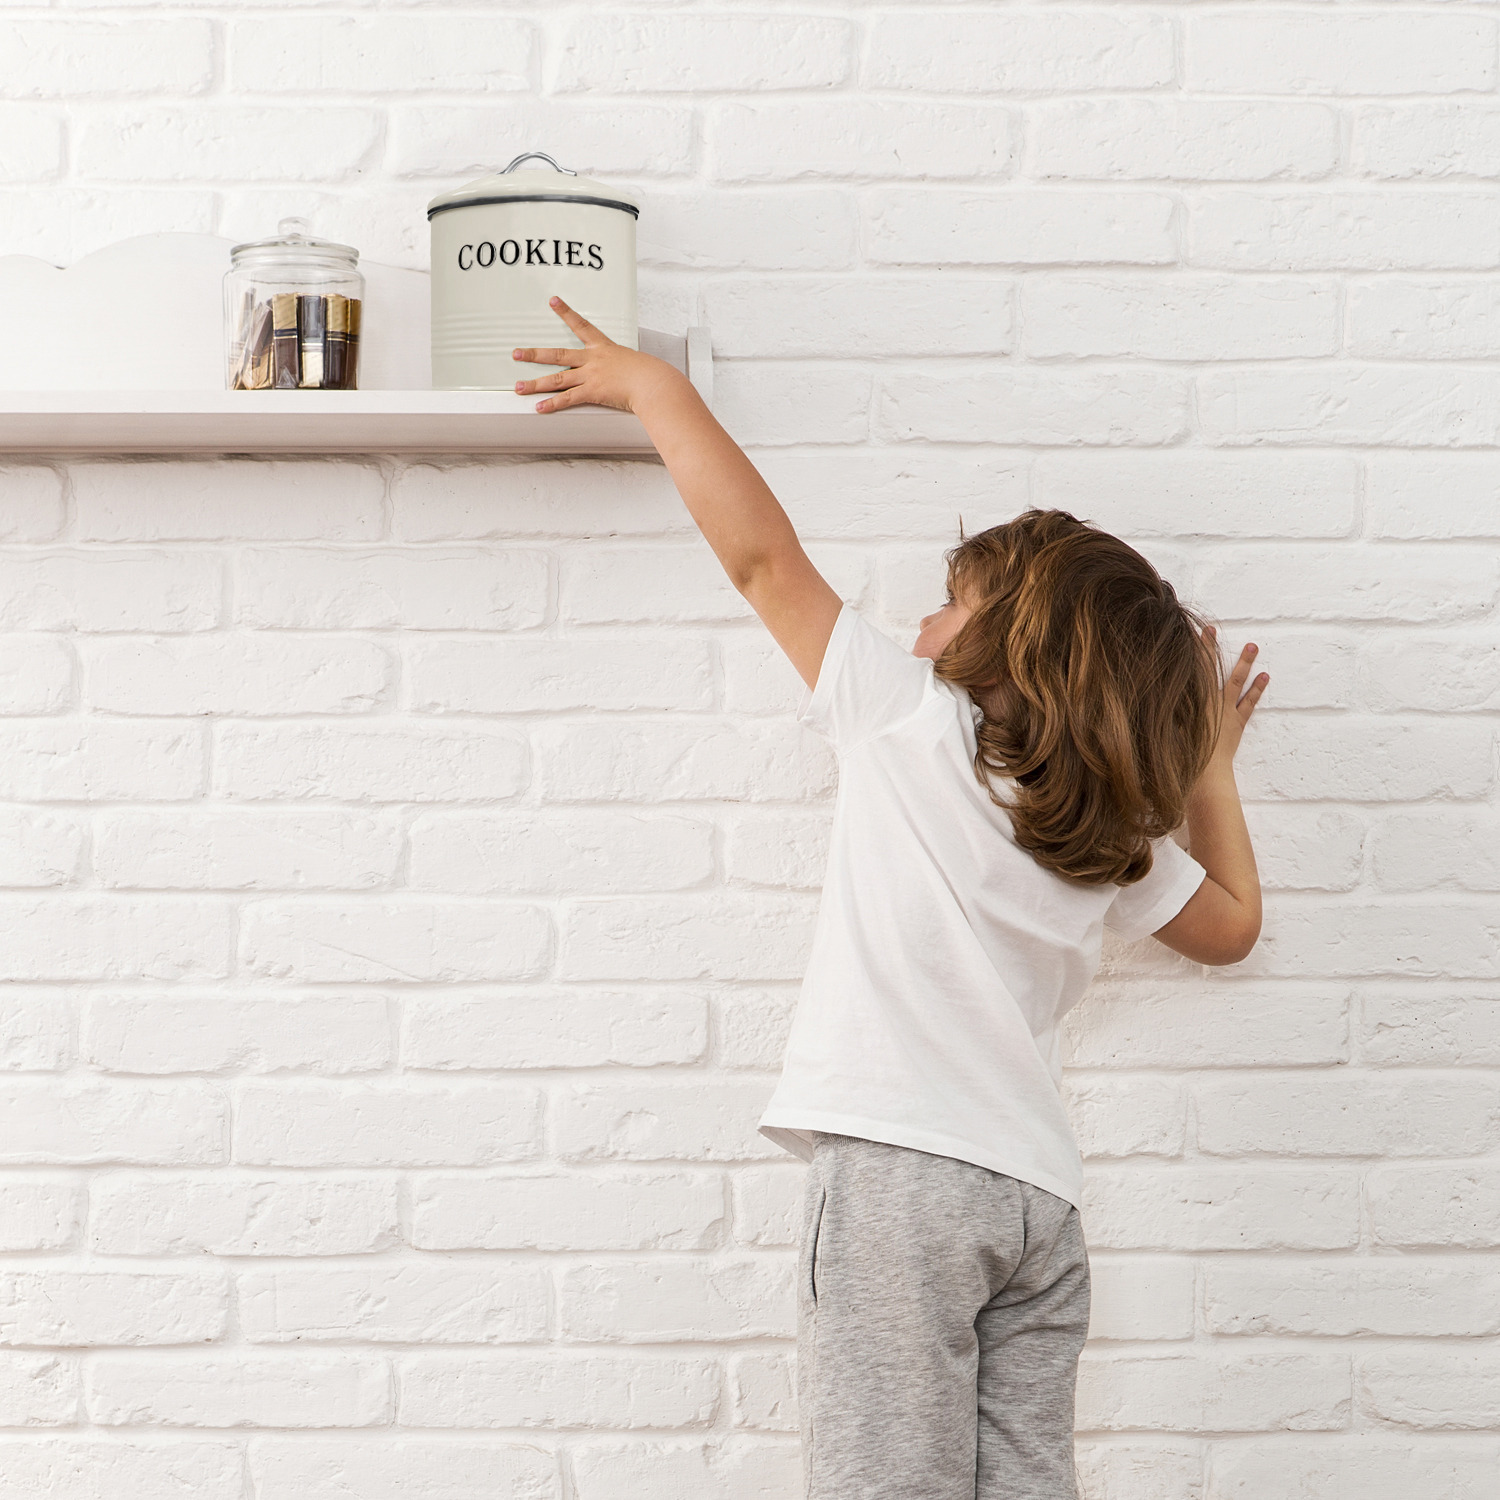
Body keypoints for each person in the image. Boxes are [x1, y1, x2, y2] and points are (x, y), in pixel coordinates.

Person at [514, 300, 1268, 1500]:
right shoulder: (1111, 829)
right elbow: (1231, 926)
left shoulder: (912, 717)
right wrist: (1208, 769)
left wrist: (657, 392)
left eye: (946, 603)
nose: (917, 621)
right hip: (1038, 1203)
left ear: (1004, 647)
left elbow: (763, 560)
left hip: (903, 1181)